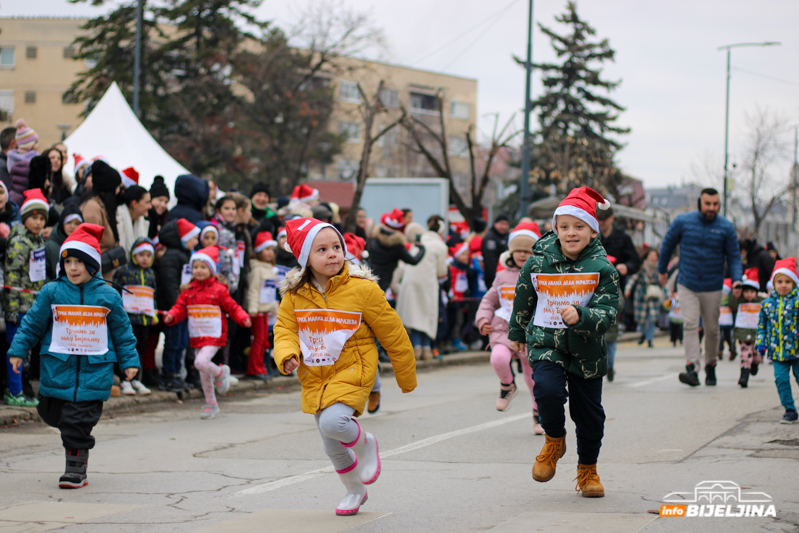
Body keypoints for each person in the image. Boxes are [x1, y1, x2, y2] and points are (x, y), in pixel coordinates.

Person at [274, 217, 417, 515]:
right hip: (315, 374)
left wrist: (406, 376)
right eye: (322, 249)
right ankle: (354, 491)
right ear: (306, 260)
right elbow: (284, 330)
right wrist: (286, 354)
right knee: (331, 445)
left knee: (333, 423)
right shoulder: (294, 296)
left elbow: (393, 332)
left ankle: (367, 445)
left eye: (336, 247)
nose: (332, 254)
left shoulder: (363, 289)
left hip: (355, 367)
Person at [7, 223, 138, 488]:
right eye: (69, 262)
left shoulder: (108, 296)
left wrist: (129, 362)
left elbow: (123, 332)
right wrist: (18, 349)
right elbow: (32, 324)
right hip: (57, 369)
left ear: (92, 265)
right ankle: (73, 441)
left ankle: (75, 470)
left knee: (76, 423)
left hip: (94, 371)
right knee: (52, 413)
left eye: (80, 262)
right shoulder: (51, 292)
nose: (73, 268)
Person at [508, 187, 619, 498]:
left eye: (579, 226)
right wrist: (516, 334)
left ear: (592, 230)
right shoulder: (537, 263)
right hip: (546, 343)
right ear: (555, 229)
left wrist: (582, 316)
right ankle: (554, 439)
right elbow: (523, 300)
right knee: (546, 389)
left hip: (586, 350)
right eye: (565, 226)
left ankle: (588, 470)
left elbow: (608, 312)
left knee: (589, 415)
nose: (572, 233)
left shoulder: (603, 269)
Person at [658, 188, 742, 387]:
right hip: (688, 283)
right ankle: (692, 367)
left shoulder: (726, 227)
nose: (711, 208)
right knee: (690, 324)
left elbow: (734, 257)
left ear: (719, 204)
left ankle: (711, 364)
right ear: (700, 203)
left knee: (712, 329)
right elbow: (667, 244)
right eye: (708, 204)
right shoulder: (683, 222)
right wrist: (662, 270)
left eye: (715, 204)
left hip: (713, 286)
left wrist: (737, 280)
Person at [164, 246, 251, 419]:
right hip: (197, 335)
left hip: (214, 335)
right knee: (203, 373)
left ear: (211, 270)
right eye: (195, 267)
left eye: (203, 267)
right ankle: (211, 404)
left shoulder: (219, 289)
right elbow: (180, 308)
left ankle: (221, 372)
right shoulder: (188, 291)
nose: (199, 270)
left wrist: (243, 318)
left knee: (200, 362)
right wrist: (171, 316)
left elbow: (232, 307)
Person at [476, 222, 544, 434]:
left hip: (530, 333)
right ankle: (507, 385)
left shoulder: (541, 274)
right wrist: (483, 320)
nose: (522, 255)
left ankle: (538, 415)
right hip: (503, 330)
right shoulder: (502, 276)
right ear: (510, 252)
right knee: (497, 358)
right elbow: (489, 301)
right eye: (518, 251)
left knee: (534, 379)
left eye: (527, 250)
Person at [3, 189, 50, 407]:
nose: (38, 222)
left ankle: (19, 388)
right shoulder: (20, 241)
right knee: (17, 349)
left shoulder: (37, 240)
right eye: (34, 217)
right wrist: (11, 308)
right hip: (18, 307)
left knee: (27, 351)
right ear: (24, 218)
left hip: (31, 306)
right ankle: (13, 391)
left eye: (42, 218)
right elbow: (11, 277)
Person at [156, 219, 200, 392]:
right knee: (173, 341)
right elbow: (170, 285)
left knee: (182, 342)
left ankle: (176, 373)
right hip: (174, 309)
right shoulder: (172, 257)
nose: (197, 242)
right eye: (194, 238)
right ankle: (169, 374)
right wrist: (178, 308)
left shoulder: (185, 255)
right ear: (183, 238)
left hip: (184, 309)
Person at [395, 220, 449, 361]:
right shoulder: (440, 246)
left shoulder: (418, 243)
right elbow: (441, 271)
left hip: (410, 283)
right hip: (427, 284)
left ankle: (416, 348)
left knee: (413, 315)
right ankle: (426, 350)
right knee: (426, 315)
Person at [112, 237, 158, 396]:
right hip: (128, 320)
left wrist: (155, 313)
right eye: (141, 254)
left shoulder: (151, 274)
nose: (145, 259)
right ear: (134, 255)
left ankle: (137, 379)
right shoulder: (124, 271)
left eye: (148, 255)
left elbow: (153, 295)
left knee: (141, 349)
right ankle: (125, 380)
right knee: (127, 349)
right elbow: (115, 293)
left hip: (144, 319)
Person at [756, 257, 799, 424]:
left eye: (788, 281)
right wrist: (761, 341)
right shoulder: (767, 305)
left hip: (796, 350)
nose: (783, 285)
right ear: (773, 283)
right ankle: (789, 409)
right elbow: (762, 325)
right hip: (777, 351)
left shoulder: (797, 302)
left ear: (794, 283)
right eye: (779, 281)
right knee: (781, 379)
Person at [596, 207, 641, 331]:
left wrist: (626, 267)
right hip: (595, 282)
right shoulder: (593, 236)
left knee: (612, 320)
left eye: (604, 220)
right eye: (599, 220)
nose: (601, 223)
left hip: (616, 283)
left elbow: (635, 261)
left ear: (612, 219)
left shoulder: (623, 237)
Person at [245, 232, 279, 380]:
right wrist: (252, 308)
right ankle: (254, 368)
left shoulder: (269, 269)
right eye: (267, 249)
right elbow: (253, 289)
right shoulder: (257, 269)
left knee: (264, 339)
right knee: (258, 340)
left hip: (267, 311)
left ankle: (260, 367)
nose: (270, 253)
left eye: (272, 249)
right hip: (257, 311)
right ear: (258, 251)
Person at [368, 208, 426, 293]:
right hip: (384, 279)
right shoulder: (397, 245)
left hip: (369, 275)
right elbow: (413, 261)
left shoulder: (375, 238)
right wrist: (422, 249)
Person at [729, 268, 764, 388]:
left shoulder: (762, 301)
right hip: (744, 333)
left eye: (752, 292)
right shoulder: (739, 302)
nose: (749, 294)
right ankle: (744, 375)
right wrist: (735, 292)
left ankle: (755, 364)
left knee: (757, 354)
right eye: (746, 291)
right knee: (745, 353)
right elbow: (731, 304)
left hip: (758, 334)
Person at [80, 160, 123, 257]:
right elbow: (89, 246)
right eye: (117, 187)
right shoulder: (92, 207)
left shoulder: (100, 204)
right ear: (109, 189)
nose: (118, 191)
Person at [624, 248, 663, 349]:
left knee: (652, 319)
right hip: (642, 294)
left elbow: (664, 283)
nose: (652, 257)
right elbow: (633, 278)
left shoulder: (660, 268)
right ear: (647, 256)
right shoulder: (641, 267)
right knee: (641, 319)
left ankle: (649, 339)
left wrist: (668, 296)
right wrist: (628, 288)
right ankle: (643, 333)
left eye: (655, 256)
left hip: (654, 295)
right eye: (651, 255)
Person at [45, 205, 83, 280]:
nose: (72, 226)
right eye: (68, 222)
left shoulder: (84, 246)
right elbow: (44, 274)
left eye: (76, 223)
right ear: (62, 223)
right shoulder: (49, 246)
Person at [117, 185, 151, 254]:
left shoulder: (143, 222)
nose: (150, 206)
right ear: (134, 203)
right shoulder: (118, 219)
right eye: (147, 202)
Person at [481, 214, 510, 289]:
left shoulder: (508, 236)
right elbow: (490, 261)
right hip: (494, 278)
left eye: (506, 224)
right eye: (501, 224)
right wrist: (496, 278)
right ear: (495, 224)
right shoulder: (490, 238)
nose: (504, 227)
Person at [147, 176, 170, 240]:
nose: (163, 205)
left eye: (166, 202)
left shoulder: (164, 221)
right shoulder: (145, 218)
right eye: (160, 200)